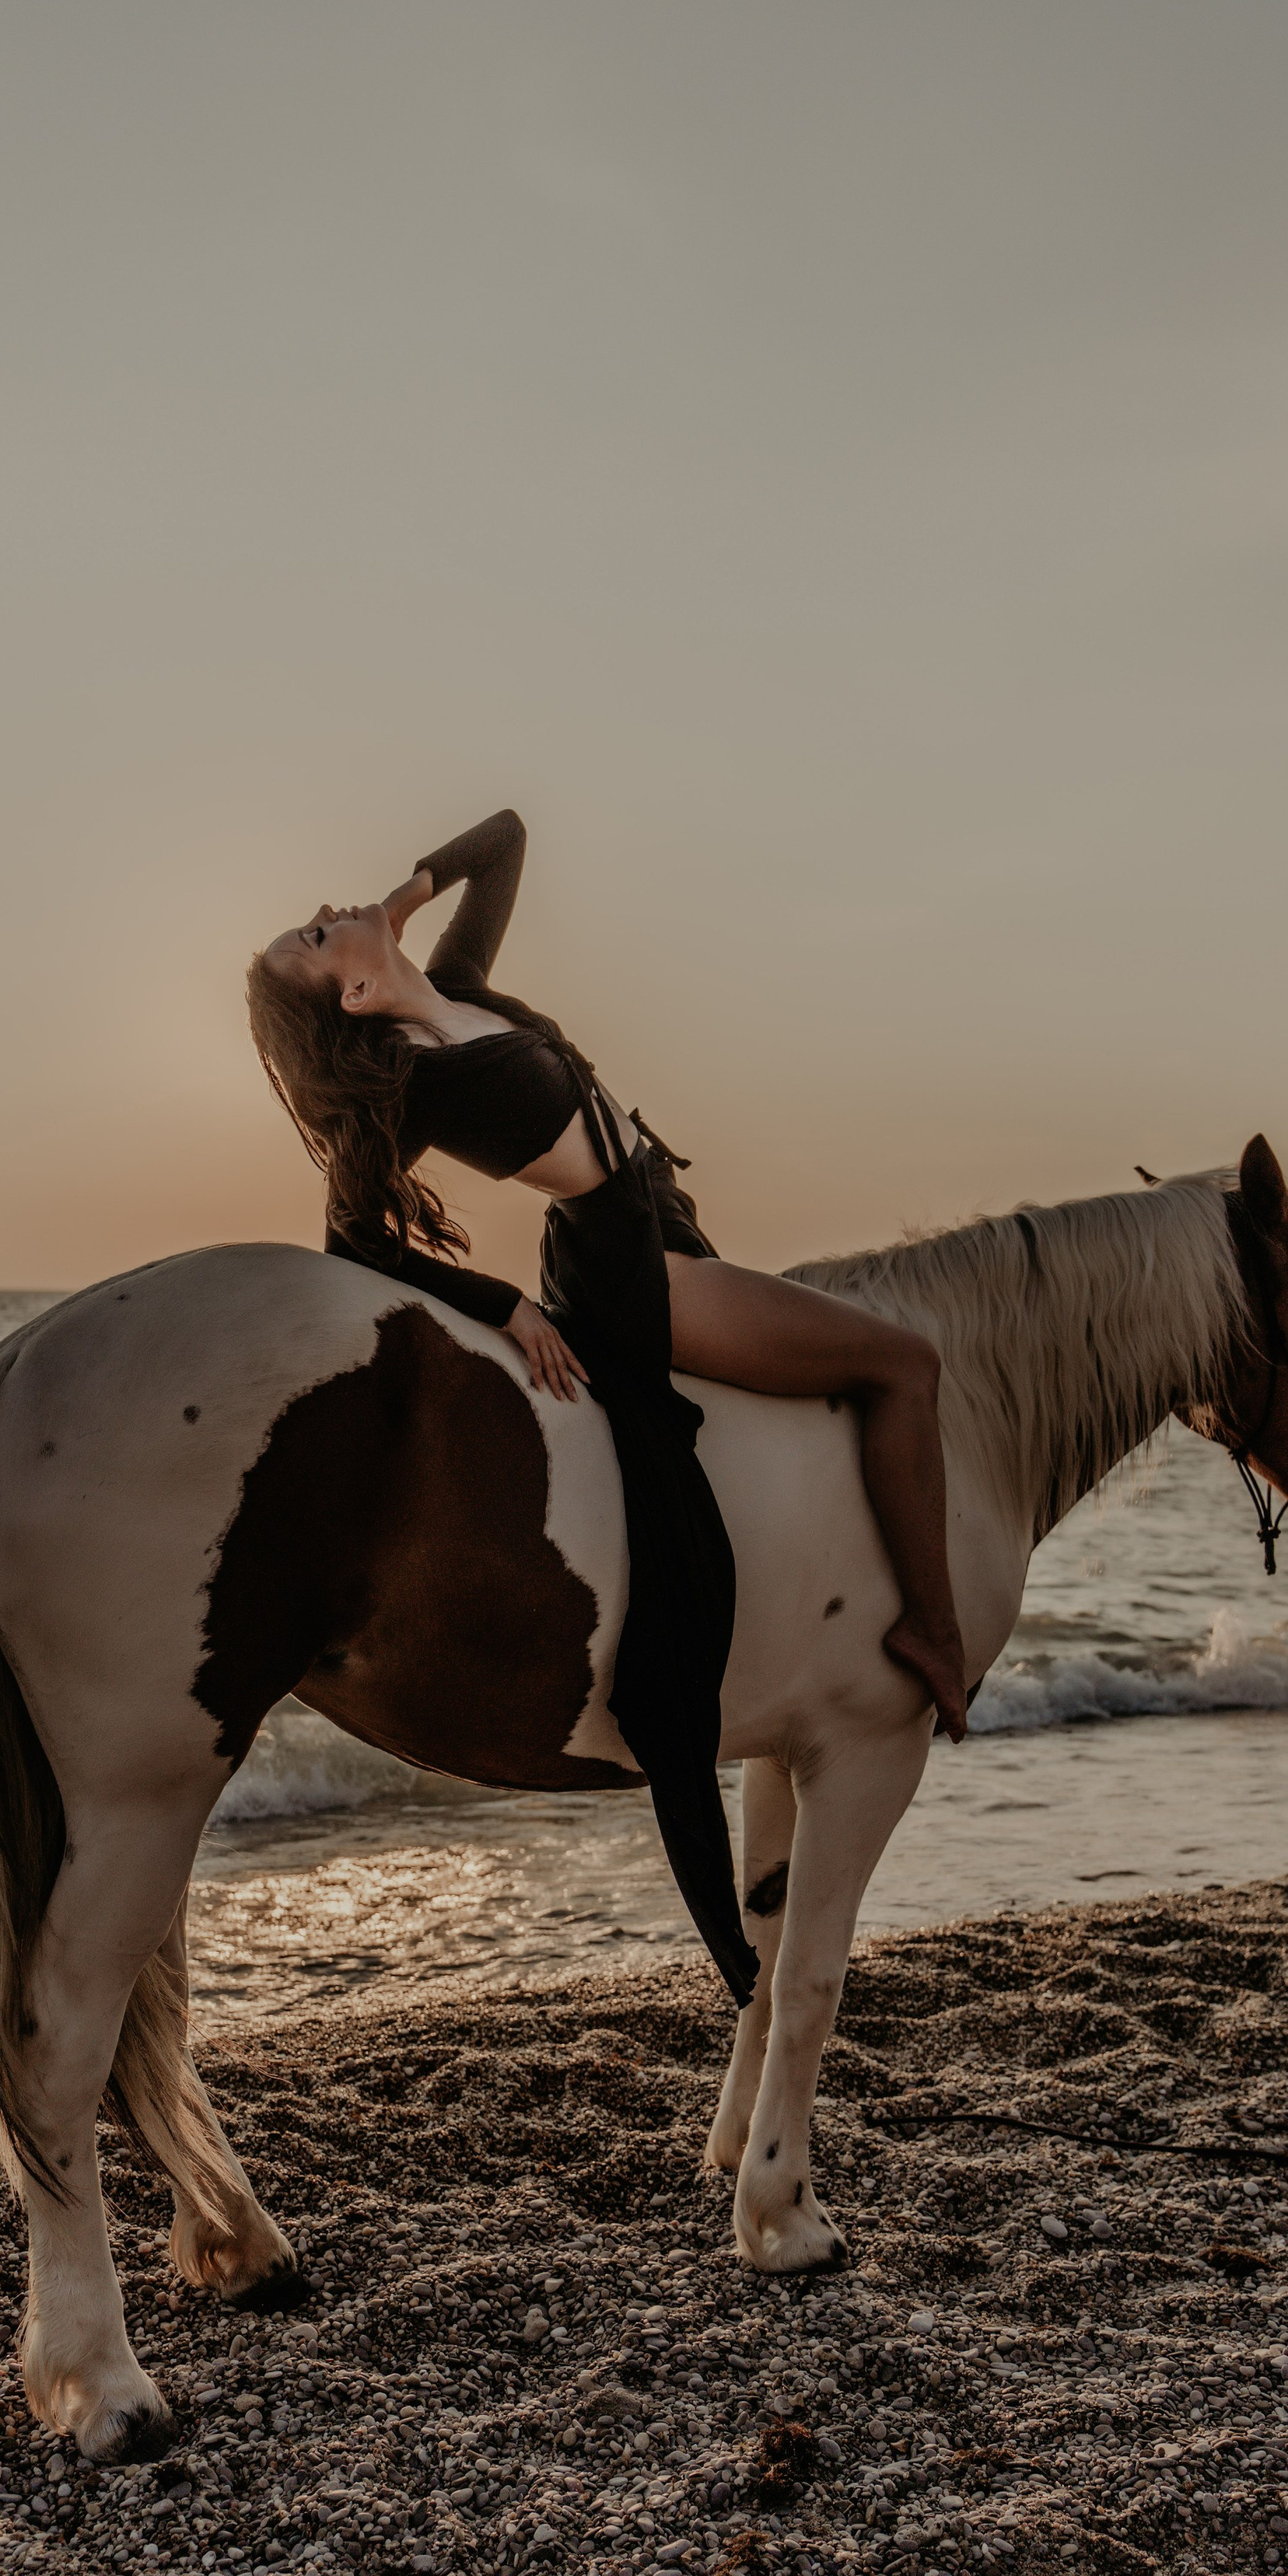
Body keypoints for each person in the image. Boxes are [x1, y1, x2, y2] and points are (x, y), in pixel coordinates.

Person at [247, 813, 967, 1911]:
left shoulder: (455, 985)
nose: (325, 911)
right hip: (636, 1271)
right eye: (313, 937)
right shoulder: (411, 1081)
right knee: (904, 1366)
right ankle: (934, 1628)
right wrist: (506, 1306)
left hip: (656, 1224)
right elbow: (354, 1242)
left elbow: (508, 838)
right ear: (345, 1000)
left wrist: (399, 902)